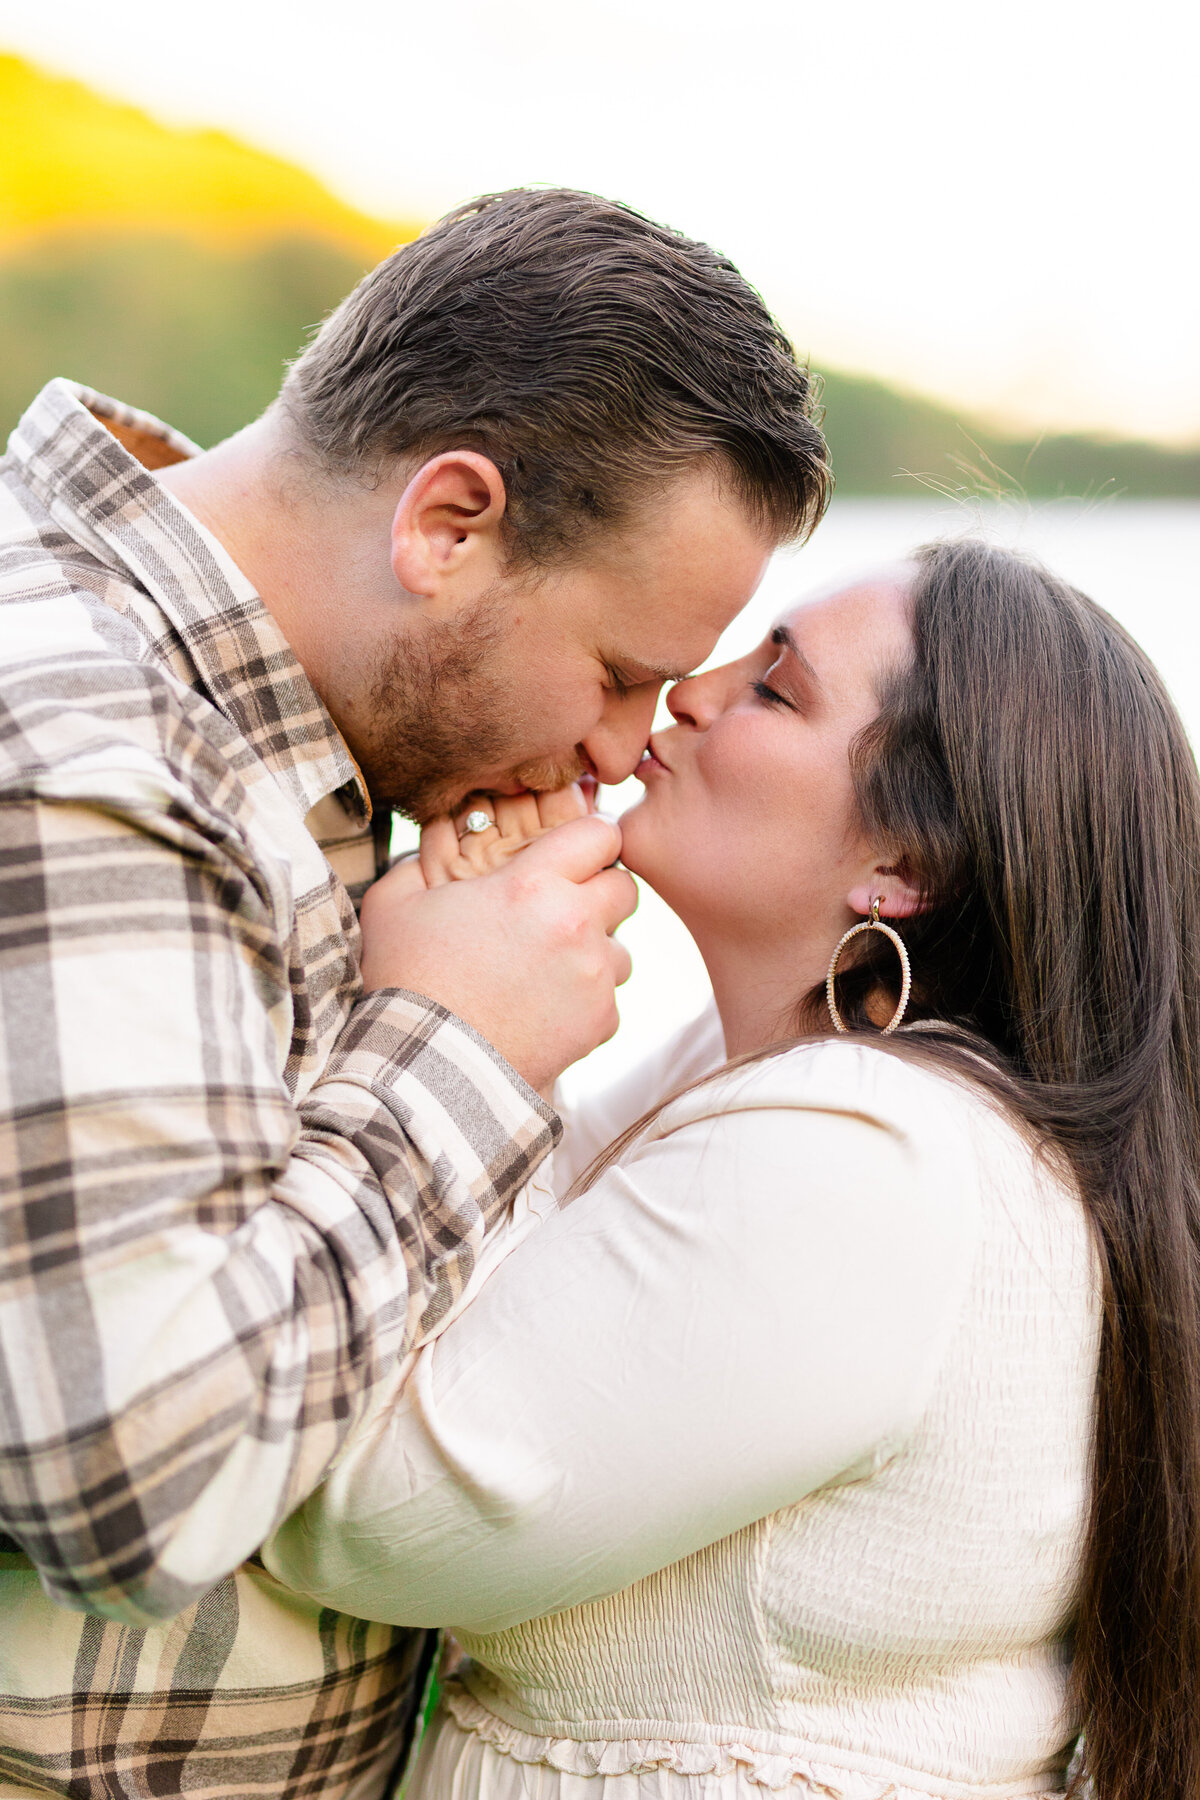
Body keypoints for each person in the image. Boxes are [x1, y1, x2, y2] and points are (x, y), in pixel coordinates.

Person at [0, 188, 830, 1798]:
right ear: (448, 522)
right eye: (617, 673)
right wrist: (454, 1047)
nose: (620, 752)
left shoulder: (259, 729)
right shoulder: (82, 752)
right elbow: (130, 1481)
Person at [266, 540, 1200, 1800]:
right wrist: (493, 977)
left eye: (775, 688)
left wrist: (454, 1024)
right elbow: (502, 1245)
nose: (691, 690)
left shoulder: (867, 1163)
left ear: (905, 869)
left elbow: (360, 1518)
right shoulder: (765, 1082)